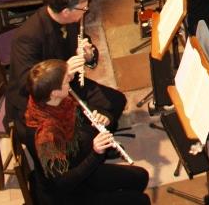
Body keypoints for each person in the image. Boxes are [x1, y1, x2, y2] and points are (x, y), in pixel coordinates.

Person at [7, 0, 127, 136]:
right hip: (45, 99)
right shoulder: (27, 37)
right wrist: (63, 70)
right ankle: (96, 139)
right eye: (83, 9)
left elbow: (85, 42)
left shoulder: (71, 19)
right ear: (65, 12)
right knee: (84, 130)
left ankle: (102, 130)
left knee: (117, 101)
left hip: (68, 84)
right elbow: (27, 83)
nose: (86, 11)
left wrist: (89, 56)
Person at [22, 59, 150, 205]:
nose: (71, 79)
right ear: (55, 93)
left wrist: (105, 118)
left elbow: (83, 114)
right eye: (66, 80)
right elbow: (62, 184)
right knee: (141, 200)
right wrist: (96, 153)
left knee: (141, 177)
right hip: (67, 193)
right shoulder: (46, 136)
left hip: (77, 162)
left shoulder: (54, 101)